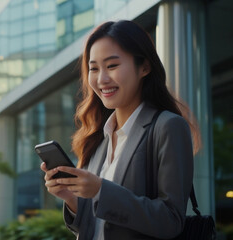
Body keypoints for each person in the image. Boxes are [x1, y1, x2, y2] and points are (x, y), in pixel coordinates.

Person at [41, 20, 200, 240]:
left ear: (144, 67)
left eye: (112, 66)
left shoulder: (167, 126)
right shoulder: (97, 138)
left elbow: (171, 221)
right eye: (94, 68)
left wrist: (100, 190)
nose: (102, 79)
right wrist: (71, 199)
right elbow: (98, 227)